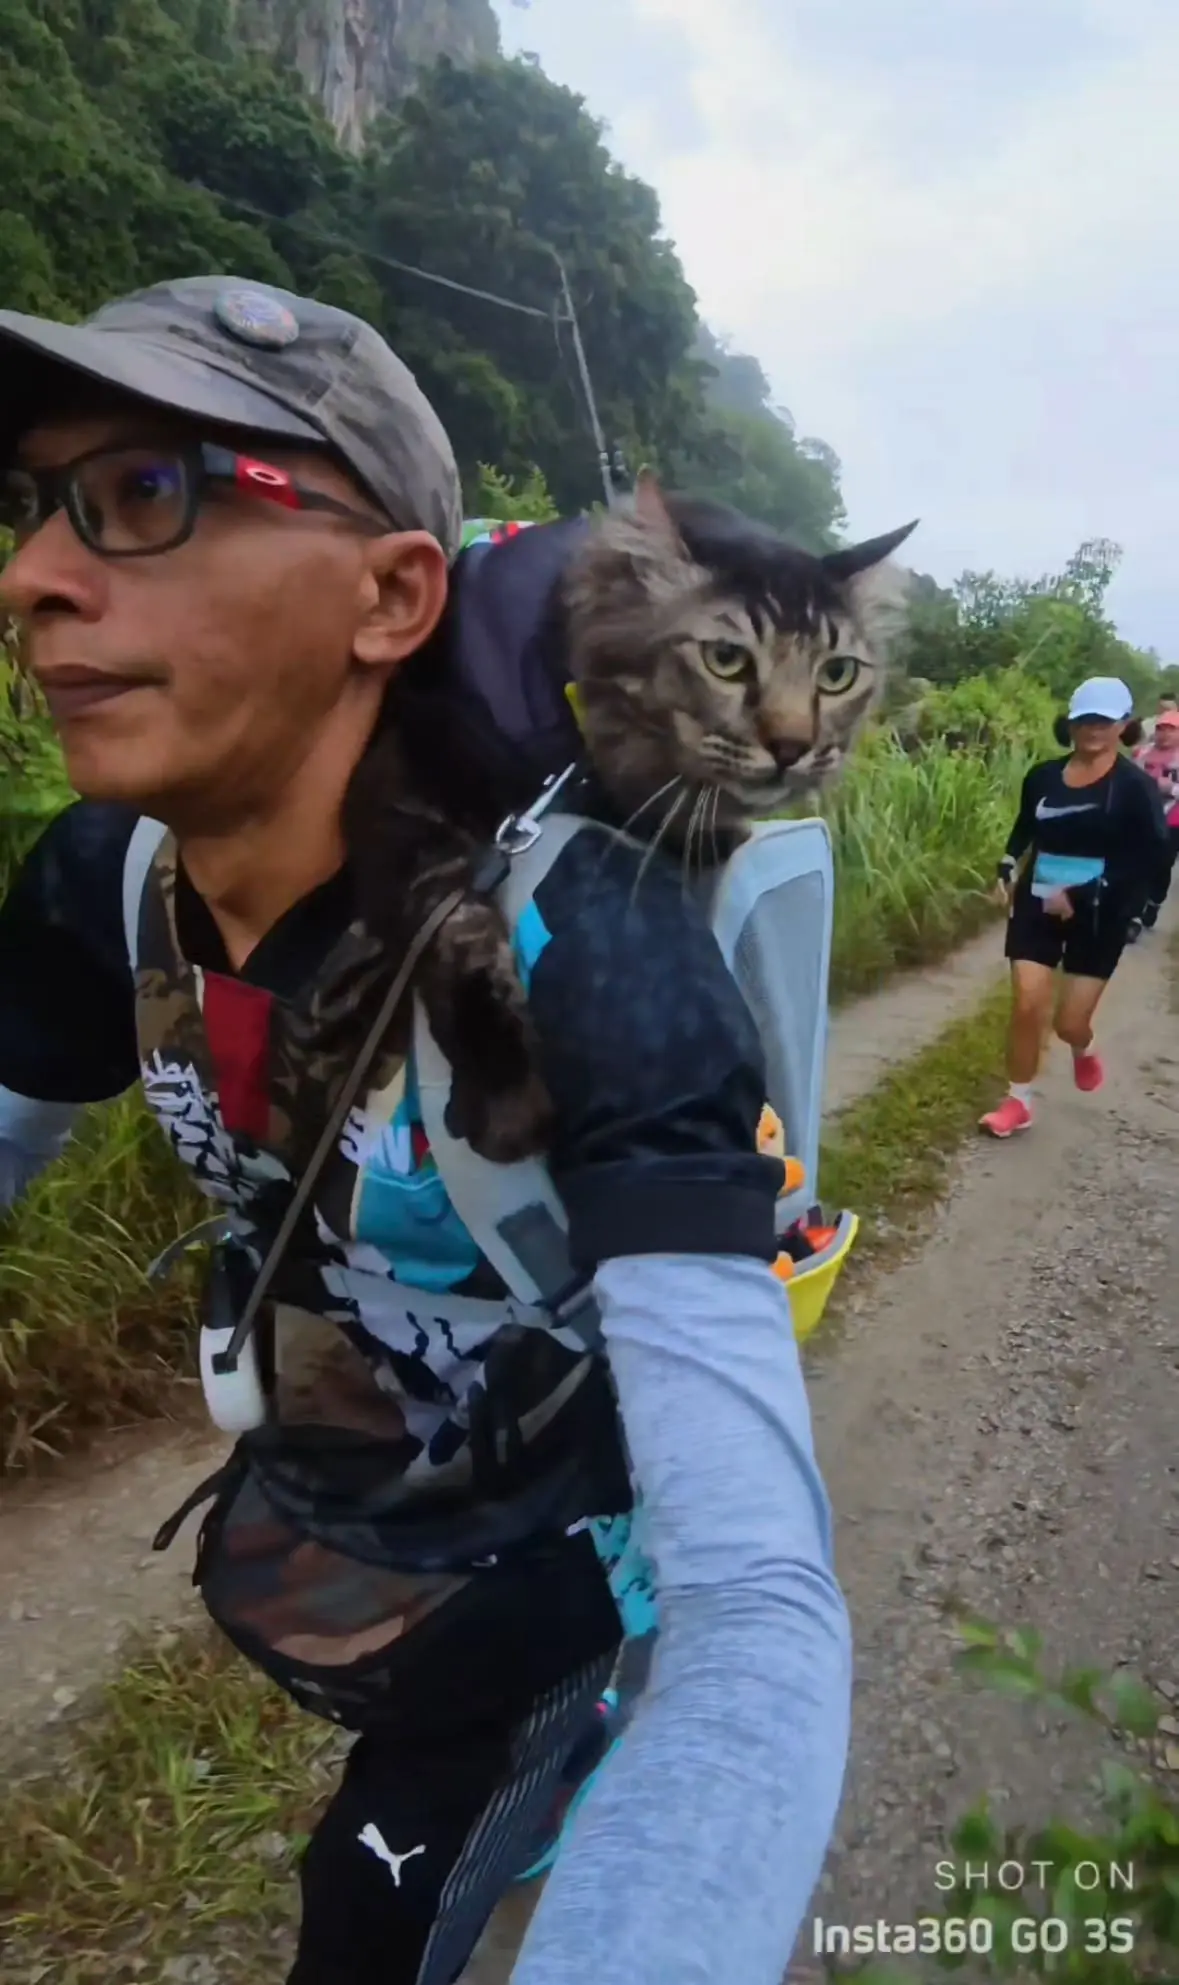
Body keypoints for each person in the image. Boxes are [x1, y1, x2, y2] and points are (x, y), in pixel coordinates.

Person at [0, 278, 851, 1985]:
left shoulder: (594, 958)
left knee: (361, 1929)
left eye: (150, 493)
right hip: (351, 1506)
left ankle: (567, 1744)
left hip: (552, 1577)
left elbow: (760, 1612)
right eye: (32, 503)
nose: (32, 571)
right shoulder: (104, 879)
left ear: (393, 595)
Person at [980, 675, 1169, 1139]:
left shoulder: (1135, 789)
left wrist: (1083, 894)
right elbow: (1027, 826)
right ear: (1070, 722)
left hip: (1102, 912)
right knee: (1027, 1002)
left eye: (1104, 720)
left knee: (1068, 1023)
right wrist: (1006, 866)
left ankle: (1082, 1047)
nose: (1093, 728)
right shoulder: (1043, 776)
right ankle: (1018, 1101)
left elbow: (1151, 857)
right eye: (1084, 719)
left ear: (1123, 724)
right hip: (1038, 900)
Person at [1133, 704, 1179, 929]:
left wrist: (1169, 788)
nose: (1165, 733)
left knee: (1162, 866)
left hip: (1172, 821)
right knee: (1138, 863)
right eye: (1161, 728)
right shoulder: (1143, 753)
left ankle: (1153, 904)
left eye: (1171, 729)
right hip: (1142, 818)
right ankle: (1133, 915)